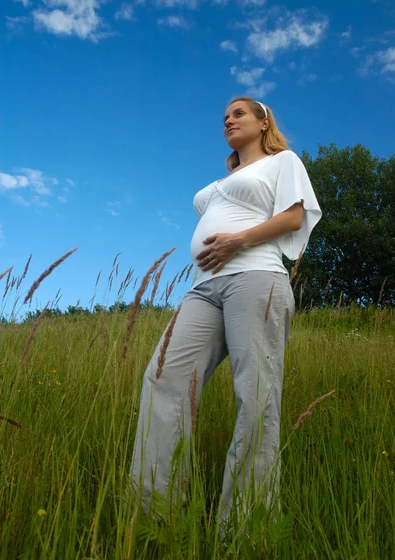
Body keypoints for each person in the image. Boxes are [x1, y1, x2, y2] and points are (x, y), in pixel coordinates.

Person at [129, 96, 322, 527]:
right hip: (203, 289)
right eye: (224, 118)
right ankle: (156, 518)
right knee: (163, 381)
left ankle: (244, 526)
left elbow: (293, 218)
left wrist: (240, 240)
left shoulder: (283, 162)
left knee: (255, 395)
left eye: (238, 114)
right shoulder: (222, 182)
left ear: (263, 121)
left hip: (256, 278)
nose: (228, 121)